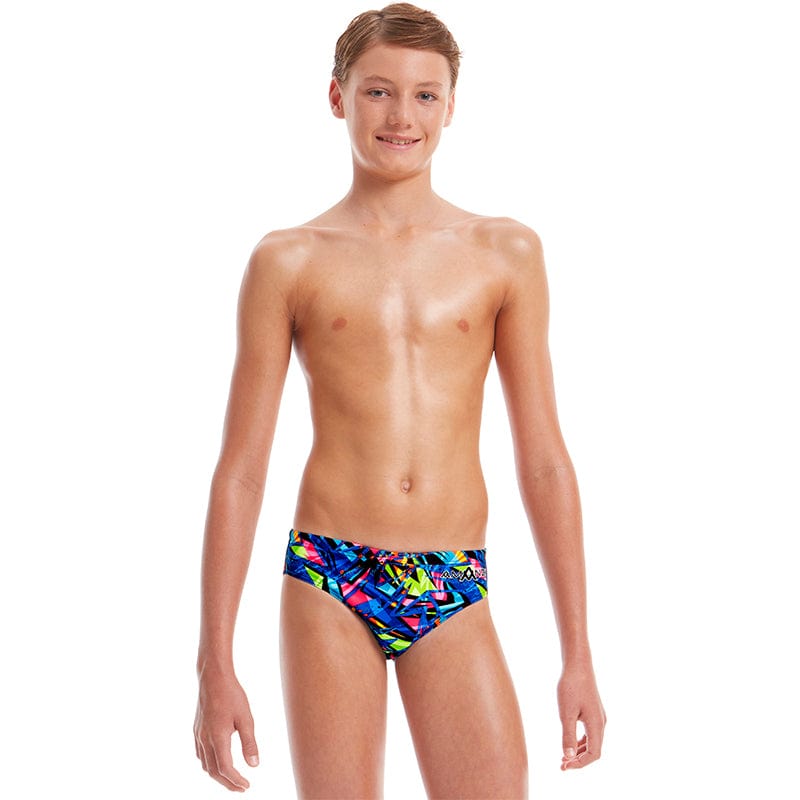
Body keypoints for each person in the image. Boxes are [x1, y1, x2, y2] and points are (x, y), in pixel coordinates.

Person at [193, 3, 605, 797]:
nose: (401, 116)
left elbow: (545, 462)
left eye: (424, 95)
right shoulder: (288, 260)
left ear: (451, 106)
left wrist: (577, 654)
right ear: (338, 97)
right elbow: (240, 471)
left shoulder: (505, 252)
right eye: (378, 91)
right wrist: (215, 663)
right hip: (330, 571)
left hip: (450, 575)